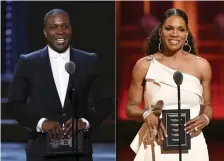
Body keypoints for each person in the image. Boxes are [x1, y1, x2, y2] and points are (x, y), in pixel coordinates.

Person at [7, 8, 113, 161]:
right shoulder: (28, 62)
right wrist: (41, 123)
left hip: (78, 150)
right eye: (53, 27)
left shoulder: (89, 60)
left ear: (71, 29)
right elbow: (14, 104)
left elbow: (105, 102)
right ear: (45, 32)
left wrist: (85, 122)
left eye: (64, 26)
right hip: (40, 150)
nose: (60, 32)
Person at [126, 8, 212, 161]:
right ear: (160, 31)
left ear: (186, 34)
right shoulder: (144, 65)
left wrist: (205, 118)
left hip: (193, 144)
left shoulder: (202, 66)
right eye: (169, 28)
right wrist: (147, 114)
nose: (174, 34)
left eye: (181, 29)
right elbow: (130, 109)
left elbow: (208, 106)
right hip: (156, 143)